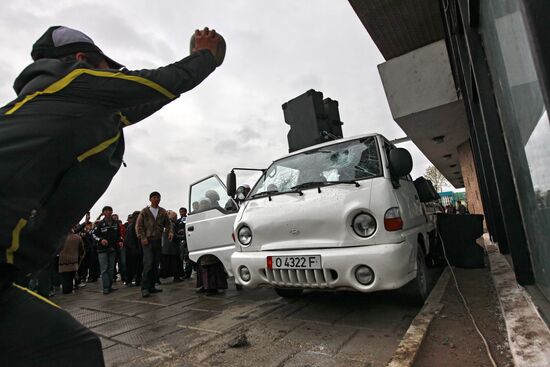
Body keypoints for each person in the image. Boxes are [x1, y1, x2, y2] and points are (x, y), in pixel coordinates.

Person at [0, 25, 224, 366]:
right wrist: (204, 56)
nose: (117, 76)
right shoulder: (72, 82)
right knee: (69, 350)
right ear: (80, 59)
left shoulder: (59, 101)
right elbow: (160, 82)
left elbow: (145, 101)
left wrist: (200, 68)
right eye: (111, 69)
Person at [136, 192, 173, 298]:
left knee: (155, 264)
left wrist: (170, 232)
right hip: (147, 241)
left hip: (157, 240)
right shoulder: (144, 211)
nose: (157, 199)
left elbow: (168, 223)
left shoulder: (162, 211)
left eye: (158, 197)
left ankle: (152, 286)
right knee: (148, 263)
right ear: (150, 199)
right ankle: (145, 288)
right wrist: (142, 237)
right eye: (154, 197)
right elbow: (139, 226)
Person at [92, 206, 122, 295]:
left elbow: (119, 235)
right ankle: (105, 287)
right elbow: (94, 235)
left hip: (112, 249)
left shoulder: (116, 223)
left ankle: (109, 286)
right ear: (103, 213)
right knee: (104, 269)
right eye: (106, 211)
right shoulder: (100, 224)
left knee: (111, 269)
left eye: (110, 210)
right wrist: (101, 240)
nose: (108, 212)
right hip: (102, 250)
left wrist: (120, 241)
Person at [58, 228, 85, 294]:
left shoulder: (60, 238)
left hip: (62, 263)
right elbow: (82, 250)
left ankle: (66, 293)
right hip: (74, 263)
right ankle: (70, 292)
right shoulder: (78, 238)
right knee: (70, 279)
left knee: (65, 280)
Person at [160, 210, 184, 282]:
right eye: (175, 217)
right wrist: (183, 236)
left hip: (165, 247)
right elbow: (174, 236)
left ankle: (157, 278)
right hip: (172, 247)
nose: (176, 218)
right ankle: (176, 277)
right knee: (174, 263)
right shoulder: (171, 224)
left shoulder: (164, 224)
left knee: (168, 264)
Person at [124, 211, 142, 286]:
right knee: (131, 267)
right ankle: (128, 281)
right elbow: (129, 240)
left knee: (139, 267)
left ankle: (138, 280)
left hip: (139, 249)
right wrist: (135, 250)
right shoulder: (131, 227)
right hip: (132, 251)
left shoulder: (139, 225)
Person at [176, 207, 193, 279]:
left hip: (188, 240)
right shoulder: (178, 221)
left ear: (185, 212)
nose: (182, 213)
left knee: (188, 257)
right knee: (181, 257)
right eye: (180, 212)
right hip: (180, 241)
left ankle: (188, 272)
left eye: (183, 211)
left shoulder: (189, 219)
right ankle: (182, 272)